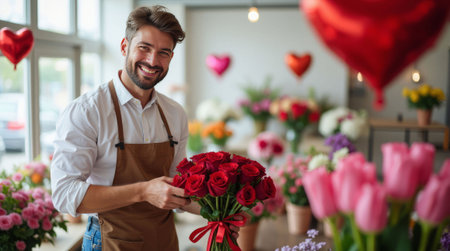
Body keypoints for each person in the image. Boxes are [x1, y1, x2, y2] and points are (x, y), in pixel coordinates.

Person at [51, 5, 239, 251]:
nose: (152, 61)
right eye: (144, 48)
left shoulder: (175, 114)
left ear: (171, 57)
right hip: (108, 240)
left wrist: (220, 213)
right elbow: (65, 195)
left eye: (163, 52)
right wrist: (143, 191)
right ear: (124, 46)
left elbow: (177, 189)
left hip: (163, 240)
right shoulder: (87, 110)